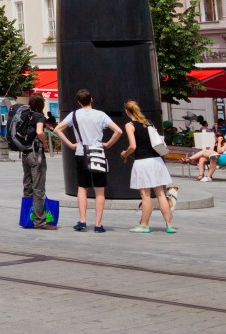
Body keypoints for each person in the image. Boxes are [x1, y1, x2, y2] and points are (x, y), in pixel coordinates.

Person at [56, 89, 122, 232]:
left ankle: (82, 221)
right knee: (100, 190)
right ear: (91, 99)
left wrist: (71, 144)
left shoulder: (74, 115)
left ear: (79, 102)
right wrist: (108, 144)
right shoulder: (101, 115)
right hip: (98, 152)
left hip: (81, 152)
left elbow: (57, 129)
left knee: (82, 187)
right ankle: (98, 224)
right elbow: (118, 131)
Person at [119, 99, 174, 233]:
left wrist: (125, 154)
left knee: (146, 196)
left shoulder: (129, 125)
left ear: (127, 111)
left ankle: (144, 225)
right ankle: (169, 225)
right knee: (161, 194)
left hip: (143, 162)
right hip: (157, 161)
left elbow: (133, 146)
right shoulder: (148, 122)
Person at [18, 94, 54, 230]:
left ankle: (26, 218)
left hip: (25, 153)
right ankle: (39, 221)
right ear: (41, 104)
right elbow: (39, 132)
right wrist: (44, 144)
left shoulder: (25, 114)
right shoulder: (39, 116)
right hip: (35, 154)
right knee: (38, 187)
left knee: (27, 186)